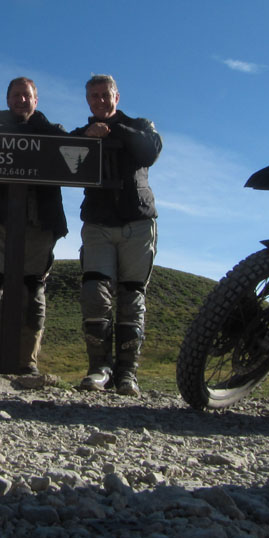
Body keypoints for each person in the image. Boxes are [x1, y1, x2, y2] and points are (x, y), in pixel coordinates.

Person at [73, 74, 162, 396]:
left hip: (137, 224)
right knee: (95, 294)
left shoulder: (140, 126)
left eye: (104, 95)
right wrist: (87, 135)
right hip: (97, 224)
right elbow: (61, 161)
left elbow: (149, 152)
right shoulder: (80, 133)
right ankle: (99, 368)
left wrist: (113, 131)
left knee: (131, 297)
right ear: (87, 100)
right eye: (93, 96)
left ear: (116, 97)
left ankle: (127, 374)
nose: (99, 100)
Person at [0, 77, 68, 375]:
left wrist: (35, 127)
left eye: (26, 96)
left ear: (35, 101)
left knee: (34, 289)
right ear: (8, 99)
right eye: (15, 95)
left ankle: (27, 360)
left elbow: (64, 139)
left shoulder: (50, 130)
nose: (21, 100)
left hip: (41, 223)